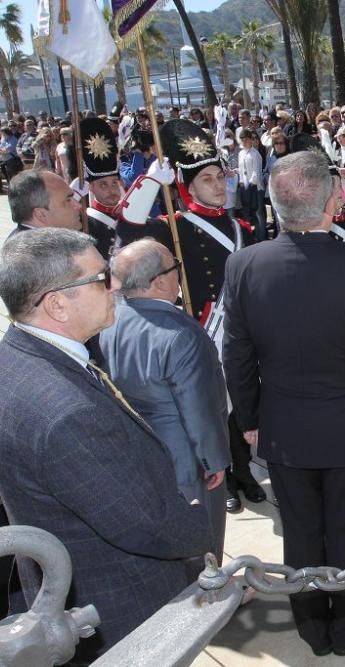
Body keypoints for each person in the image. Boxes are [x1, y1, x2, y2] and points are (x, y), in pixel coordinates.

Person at [0, 229, 211, 662]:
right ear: (56, 304)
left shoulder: (12, 358)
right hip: (120, 610)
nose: (116, 286)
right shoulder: (64, 411)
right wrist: (200, 531)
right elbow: (144, 524)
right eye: (101, 278)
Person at [223, 150, 345, 657]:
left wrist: (251, 421)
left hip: (283, 426)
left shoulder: (244, 265)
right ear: (333, 203)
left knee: (300, 531)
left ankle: (311, 626)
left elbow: (236, 357)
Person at [116, 118, 266, 514]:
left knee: (241, 399)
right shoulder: (174, 226)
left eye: (220, 176)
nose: (219, 185)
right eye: (207, 179)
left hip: (241, 329)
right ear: (186, 186)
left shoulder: (242, 227)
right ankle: (226, 474)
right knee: (215, 406)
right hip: (203, 329)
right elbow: (128, 227)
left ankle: (245, 470)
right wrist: (150, 181)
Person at [99, 239, 230, 572]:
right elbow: (198, 407)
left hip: (138, 448)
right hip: (186, 459)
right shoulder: (181, 333)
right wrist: (212, 460)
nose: (178, 275)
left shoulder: (110, 319)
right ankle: (208, 594)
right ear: (159, 281)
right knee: (202, 534)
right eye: (175, 268)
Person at [79, 117, 124, 259]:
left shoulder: (129, 216)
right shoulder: (84, 223)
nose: (111, 190)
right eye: (103, 184)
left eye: (114, 183)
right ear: (91, 187)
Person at [5, 170, 82, 239]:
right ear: (41, 214)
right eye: (68, 200)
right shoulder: (48, 252)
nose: (78, 206)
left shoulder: (22, 242)